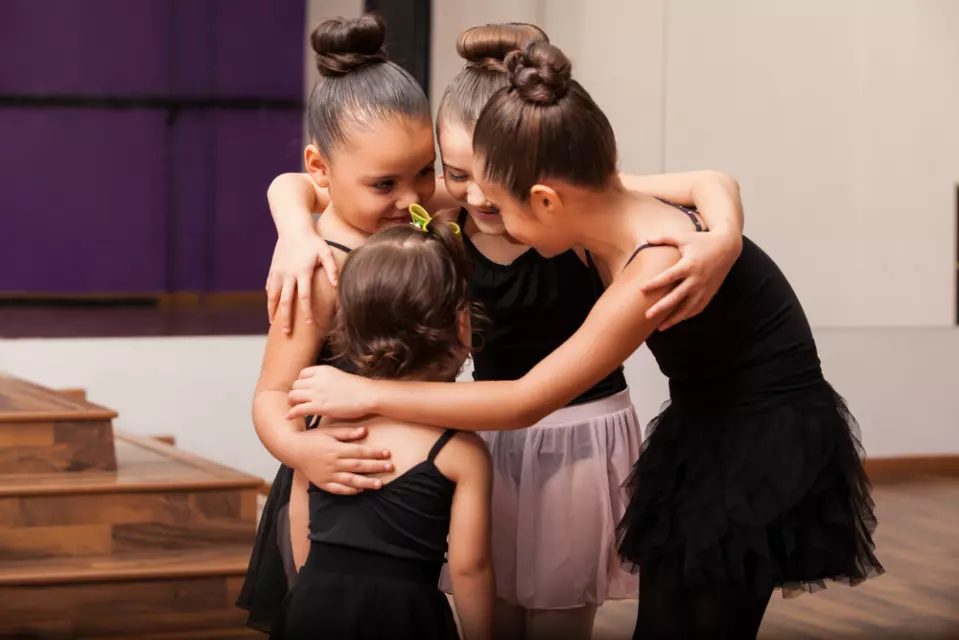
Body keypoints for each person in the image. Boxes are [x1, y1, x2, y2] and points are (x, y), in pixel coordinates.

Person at [286, 41, 883, 639]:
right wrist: (294, 231)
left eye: (502, 208)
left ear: (545, 200)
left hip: (763, 438)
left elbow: (526, 400)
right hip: (705, 422)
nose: (486, 214)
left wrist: (366, 393)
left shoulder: (656, 261)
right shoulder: (601, 196)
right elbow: (713, 179)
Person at [236, 14, 438, 632]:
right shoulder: (319, 270)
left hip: (412, 482)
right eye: (385, 183)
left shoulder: (415, 219)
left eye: (424, 172)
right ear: (321, 170)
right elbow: (270, 394)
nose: (412, 198)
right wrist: (304, 451)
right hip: (329, 492)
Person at [274, 219, 494, 640]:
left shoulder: (316, 430)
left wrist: (313, 598)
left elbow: (299, 532)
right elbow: (471, 568)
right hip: (406, 616)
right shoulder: (461, 453)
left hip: (312, 608)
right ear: (462, 324)